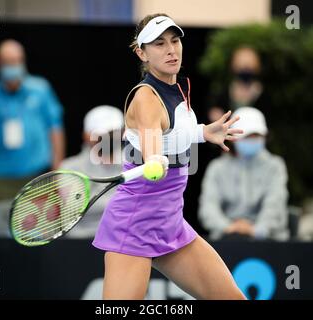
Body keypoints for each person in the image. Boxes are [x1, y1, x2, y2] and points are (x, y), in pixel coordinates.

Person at [92, 13, 246, 300]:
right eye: (159, 44)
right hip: (135, 226)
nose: (171, 49)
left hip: (170, 223)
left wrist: (202, 132)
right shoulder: (146, 98)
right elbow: (152, 138)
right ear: (142, 53)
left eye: (175, 41)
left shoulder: (179, 87)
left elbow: (171, 131)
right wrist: (153, 159)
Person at [0, 39, 65, 235]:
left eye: (17, 60)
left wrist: (56, 169)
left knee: (42, 232)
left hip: (39, 174)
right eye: (8, 61)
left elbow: (55, 129)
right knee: (4, 233)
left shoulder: (40, 89)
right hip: (4, 178)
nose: (13, 66)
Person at [198, 107, 289, 241]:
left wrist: (256, 230)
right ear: (233, 137)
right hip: (226, 239)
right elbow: (208, 208)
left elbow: (275, 205)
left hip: (269, 240)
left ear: (264, 136)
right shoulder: (217, 168)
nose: (252, 140)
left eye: (256, 136)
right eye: (246, 136)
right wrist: (228, 228)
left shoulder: (275, 166)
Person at [60, 105, 124, 238]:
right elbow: (76, 208)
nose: (107, 138)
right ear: (86, 135)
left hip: (122, 240)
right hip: (81, 242)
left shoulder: (135, 164)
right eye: (100, 133)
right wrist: (125, 201)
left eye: (112, 132)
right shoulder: (69, 167)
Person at [208, 46, 264, 122]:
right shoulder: (223, 91)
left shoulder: (262, 92)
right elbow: (214, 112)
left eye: (248, 65)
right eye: (242, 64)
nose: (245, 67)